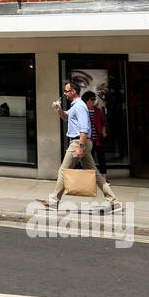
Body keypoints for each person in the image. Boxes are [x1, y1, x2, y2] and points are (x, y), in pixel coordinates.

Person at [34, 81, 119, 212]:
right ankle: (113, 202)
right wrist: (59, 109)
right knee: (95, 173)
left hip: (77, 143)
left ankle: (53, 201)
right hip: (81, 143)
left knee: (63, 170)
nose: (64, 93)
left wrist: (80, 146)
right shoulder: (75, 106)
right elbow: (66, 117)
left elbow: (84, 127)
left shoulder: (79, 106)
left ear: (73, 91)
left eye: (66, 91)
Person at [87, 90, 108, 173]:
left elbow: (104, 123)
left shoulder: (97, 110)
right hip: (88, 140)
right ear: (86, 100)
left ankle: (104, 177)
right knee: (90, 160)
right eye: (91, 99)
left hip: (98, 139)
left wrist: (104, 132)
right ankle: (91, 177)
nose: (93, 101)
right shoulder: (83, 111)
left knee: (101, 158)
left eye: (94, 99)